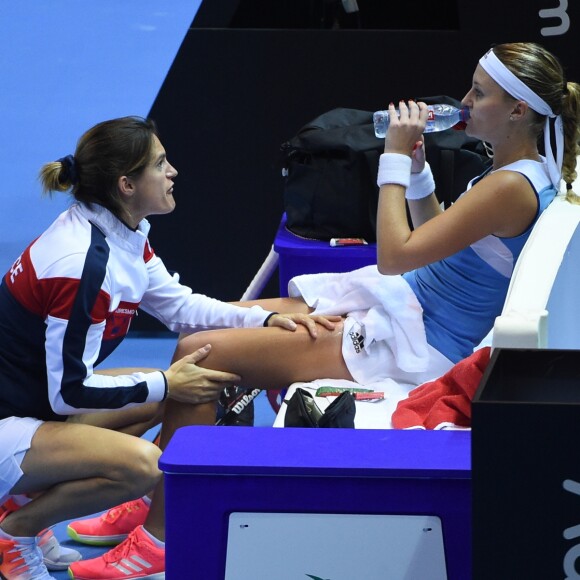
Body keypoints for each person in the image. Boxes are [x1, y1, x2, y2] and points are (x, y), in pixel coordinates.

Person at [62, 42, 580, 578]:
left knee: (202, 351)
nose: (465, 100)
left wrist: (395, 161)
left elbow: (396, 255)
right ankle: (169, 493)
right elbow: (434, 238)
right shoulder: (519, 172)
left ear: (519, 110)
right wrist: (422, 173)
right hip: (405, 306)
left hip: (419, 341)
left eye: (480, 92)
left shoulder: (511, 185)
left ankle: (162, 539)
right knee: (220, 324)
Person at [0, 116, 340, 580]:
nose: (173, 171)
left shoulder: (120, 233)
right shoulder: (83, 263)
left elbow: (181, 307)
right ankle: (17, 529)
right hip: (14, 422)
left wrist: (265, 317)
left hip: (33, 404)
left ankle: (25, 499)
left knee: (172, 392)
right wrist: (164, 382)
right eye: (160, 164)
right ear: (126, 184)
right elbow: (71, 393)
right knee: (145, 466)